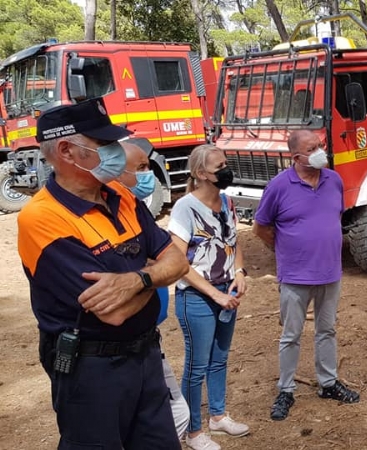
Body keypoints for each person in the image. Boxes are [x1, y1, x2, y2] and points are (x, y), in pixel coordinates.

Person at [18, 98, 189, 449]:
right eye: (104, 144)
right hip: (91, 369)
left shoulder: (121, 198)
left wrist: (136, 280)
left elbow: (179, 260)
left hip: (145, 357)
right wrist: (154, 272)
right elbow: (114, 312)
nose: (115, 151)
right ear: (66, 151)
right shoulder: (42, 219)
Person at [253, 129, 360, 422]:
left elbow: (333, 217)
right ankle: (286, 390)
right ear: (296, 156)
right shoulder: (278, 186)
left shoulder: (333, 180)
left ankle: (328, 383)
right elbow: (260, 227)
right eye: (313, 147)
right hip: (295, 276)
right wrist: (286, 248)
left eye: (321, 145)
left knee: (327, 330)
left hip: (330, 273)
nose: (320, 150)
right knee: (291, 335)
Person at [169, 144, 250, 450]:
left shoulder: (227, 202)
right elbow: (178, 263)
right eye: (220, 167)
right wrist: (215, 295)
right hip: (198, 299)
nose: (226, 170)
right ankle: (193, 431)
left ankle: (218, 415)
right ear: (201, 174)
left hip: (226, 296)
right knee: (196, 365)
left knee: (220, 359)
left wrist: (239, 272)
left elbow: (234, 242)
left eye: (226, 164)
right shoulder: (184, 208)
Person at [120, 140, 191, 439]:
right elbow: (118, 293)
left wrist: (144, 275)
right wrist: (153, 274)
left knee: (174, 414)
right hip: (122, 350)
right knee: (171, 416)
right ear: (116, 173)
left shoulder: (136, 211)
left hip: (150, 338)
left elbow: (177, 261)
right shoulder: (112, 217)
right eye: (141, 168)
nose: (149, 174)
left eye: (148, 166)